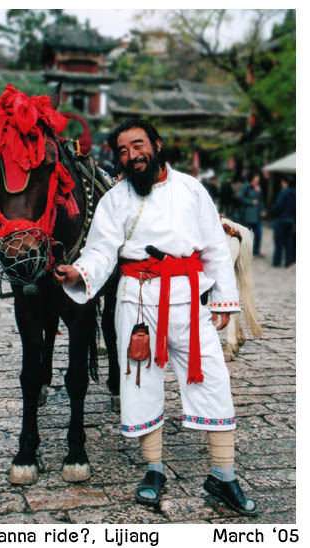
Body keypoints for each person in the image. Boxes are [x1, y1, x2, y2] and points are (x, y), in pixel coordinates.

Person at [54, 119, 257, 516]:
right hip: (138, 303)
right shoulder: (115, 200)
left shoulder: (190, 189)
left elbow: (215, 246)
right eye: (123, 151)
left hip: (187, 296)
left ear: (157, 145)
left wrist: (223, 301)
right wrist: (81, 271)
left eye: (138, 145)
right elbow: (100, 250)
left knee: (213, 379)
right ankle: (153, 469)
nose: (132, 155)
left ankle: (224, 475)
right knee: (141, 384)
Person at [238, 173, 266, 256]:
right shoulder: (246, 187)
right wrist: (251, 202)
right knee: (248, 234)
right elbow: (240, 198)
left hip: (257, 215)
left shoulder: (258, 188)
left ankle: (256, 251)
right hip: (248, 215)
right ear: (251, 179)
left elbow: (261, 200)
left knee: (258, 233)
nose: (257, 181)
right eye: (255, 180)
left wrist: (263, 210)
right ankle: (247, 251)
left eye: (258, 180)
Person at [271, 178, 296, 267]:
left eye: (282, 182)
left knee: (279, 242)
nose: (281, 184)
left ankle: (277, 262)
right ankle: (288, 261)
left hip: (281, 220)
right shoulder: (295, 194)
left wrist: (272, 208)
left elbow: (278, 206)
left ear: (286, 183)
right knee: (289, 242)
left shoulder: (283, 193)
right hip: (291, 221)